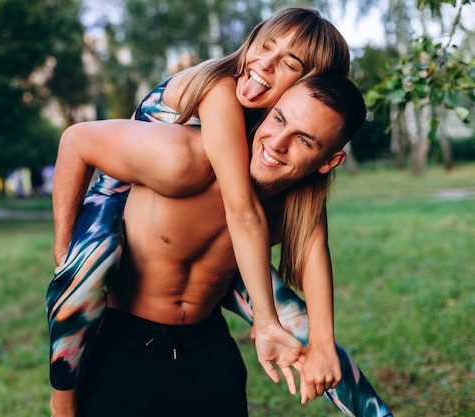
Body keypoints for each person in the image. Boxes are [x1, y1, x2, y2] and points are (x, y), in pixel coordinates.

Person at [48, 6, 391, 417]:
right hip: (116, 213)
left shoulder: (286, 159)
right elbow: (242, 212)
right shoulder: (217, 98)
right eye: (265, 47)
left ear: (311, 85)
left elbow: (314, 243)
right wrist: (65, 248)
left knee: (304, 330)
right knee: (91, 266)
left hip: (203, 339)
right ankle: (61, 403)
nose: (264, 64)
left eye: (289, 63)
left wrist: (320, 343)